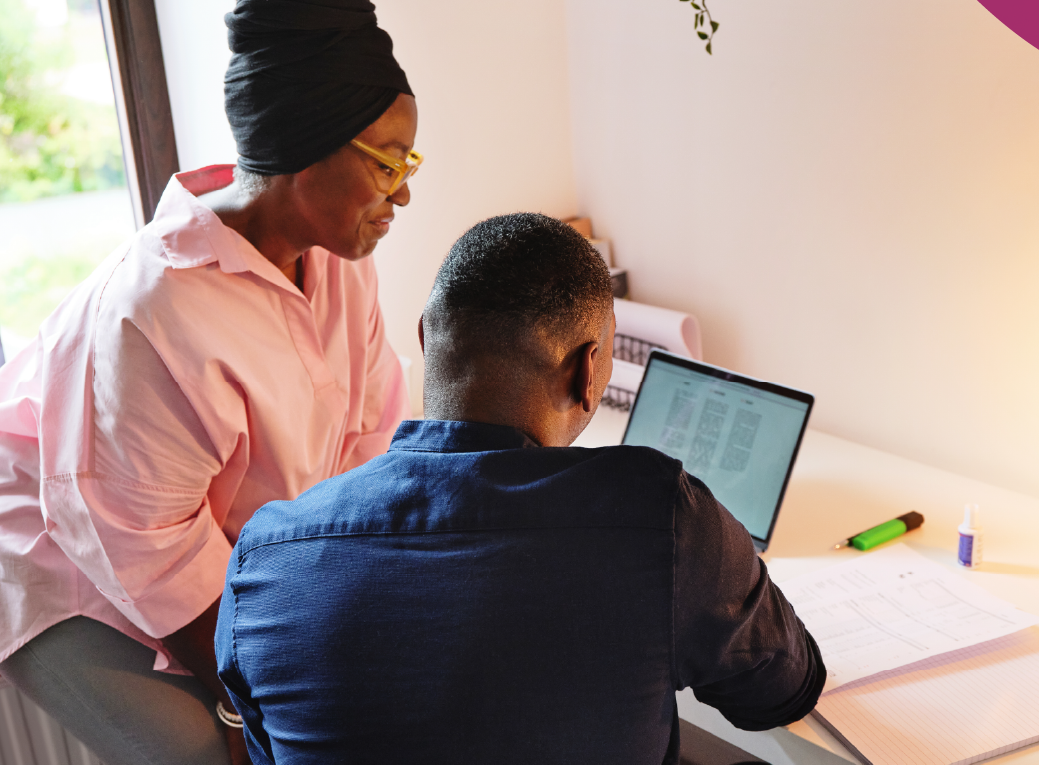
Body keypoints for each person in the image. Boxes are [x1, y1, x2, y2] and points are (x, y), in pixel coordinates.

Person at [215, 213, 826, 764]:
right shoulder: (659, 517)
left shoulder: (264, 558)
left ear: (427, 340)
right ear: (589, 372)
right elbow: (780, 694)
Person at [0, 2, 418, 763]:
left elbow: (369, 445)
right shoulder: (155, 313)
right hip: (63, 539)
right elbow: (148, 551)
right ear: (307, 146)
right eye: (388, 163)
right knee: (213, 748)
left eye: (409, 165)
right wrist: (258, 699)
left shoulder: (341, 268)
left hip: (193, 533)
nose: (404, 194)